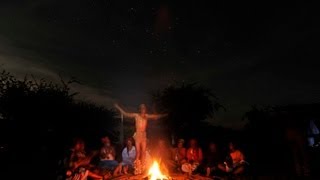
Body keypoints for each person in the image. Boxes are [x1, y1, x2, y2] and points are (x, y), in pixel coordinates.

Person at [114, 103, 167, 174]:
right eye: (141, 108)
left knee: (144, 152)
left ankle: (142, 167)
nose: (143, 109)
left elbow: (155, 116)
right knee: (138, 152)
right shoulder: (136, 115)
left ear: (145, 109)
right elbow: (126, 114)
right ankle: (137, 168)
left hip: (143, 135)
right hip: (138, 135)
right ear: (140, 109)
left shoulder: (147, 116)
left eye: (144, 108)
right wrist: (118, 107)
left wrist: (164, 115)